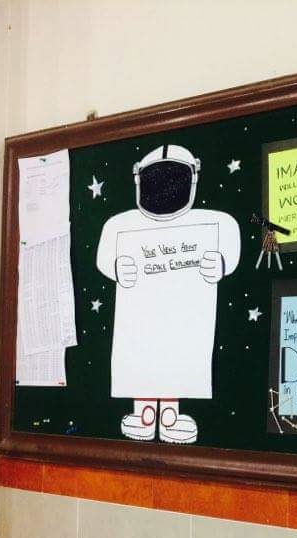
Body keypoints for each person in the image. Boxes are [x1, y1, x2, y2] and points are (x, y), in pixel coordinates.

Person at [96, 144, 240, 444]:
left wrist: (221, 263)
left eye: (173, 179)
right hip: (138, 314)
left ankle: (170, 416)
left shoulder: (212, 222)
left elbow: (230, 239)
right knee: (141, 358)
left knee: (177, 357)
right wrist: (117, 267)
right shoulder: (121, 225)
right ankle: (144, 413)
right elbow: (104, 257)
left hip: (185, 314)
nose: (164, 188)